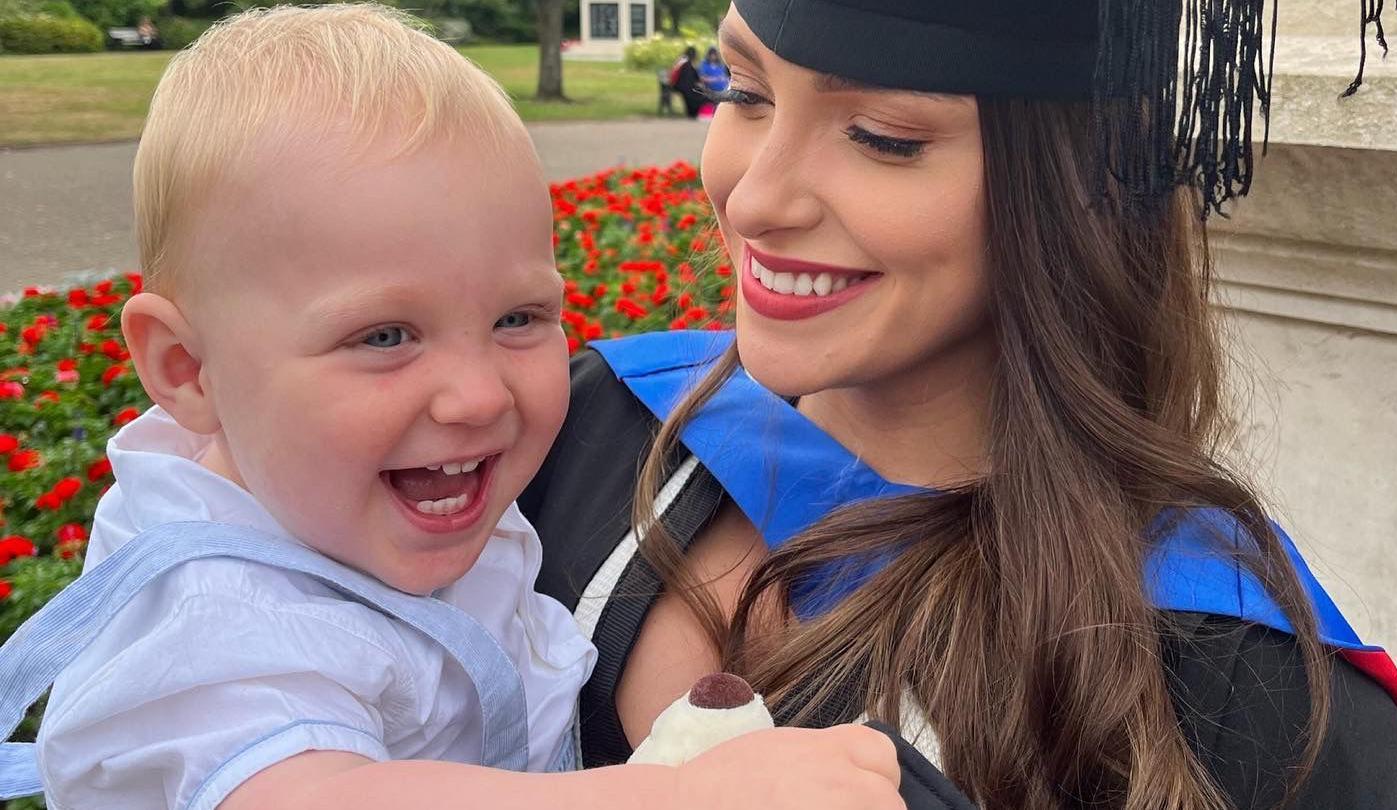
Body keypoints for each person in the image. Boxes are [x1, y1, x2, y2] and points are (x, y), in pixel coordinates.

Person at [520, 1, 1397, 808]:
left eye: (883, 136)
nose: (754, 198)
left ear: (1076, 183)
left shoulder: (1225, 682)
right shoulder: (592, 425)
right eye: (744, 90)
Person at [0, 6, 904, 810]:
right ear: (188, 368)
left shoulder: (330, 487)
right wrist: (671, 795)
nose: (479, 397)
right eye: (385, 336)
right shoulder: (215, 620)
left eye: (518, 318)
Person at [668, 45, 708, 119]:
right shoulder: (686, 63)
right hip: (680, 86)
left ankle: (693, 112)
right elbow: (689, 78)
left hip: (679, 84)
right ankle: (692, 113)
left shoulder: (683, 60)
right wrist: (698, 83)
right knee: (695, 93)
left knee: (697, 91)